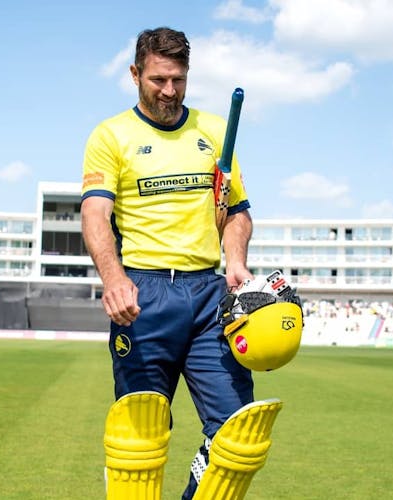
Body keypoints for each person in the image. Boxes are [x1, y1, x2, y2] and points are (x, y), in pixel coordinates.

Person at [81, 27, 272, 499]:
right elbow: (95, 213)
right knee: (139, 440)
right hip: (144, 297)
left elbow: (236, 213)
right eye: (159, 79)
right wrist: (114, 279)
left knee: (236, 433)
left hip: (210, 296)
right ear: (135, 74)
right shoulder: (111, 136)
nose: (170, 91)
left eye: (179, 80)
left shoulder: (213, 132)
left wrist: (236, 260)